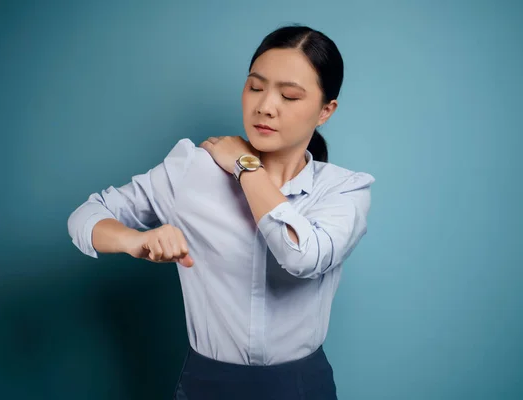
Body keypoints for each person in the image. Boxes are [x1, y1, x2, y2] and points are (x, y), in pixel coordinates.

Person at [68, 24, 375, 400]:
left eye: (290, 96)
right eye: (255, 87)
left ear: (325, 111)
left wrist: (245, 166)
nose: (265, 106)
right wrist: (136, 240)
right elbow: (86, 216)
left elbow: (300, 255)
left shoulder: (344, 190)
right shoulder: (192, 171)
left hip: (301, 388)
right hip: (206, 386)